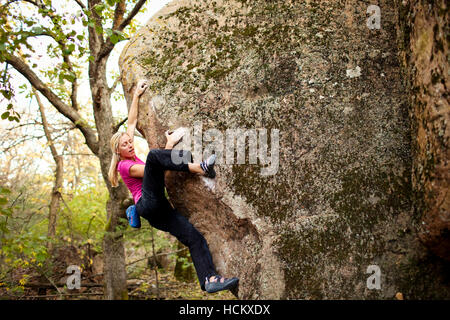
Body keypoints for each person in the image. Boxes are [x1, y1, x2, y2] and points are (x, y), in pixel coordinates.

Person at [107, 79, 238, 294]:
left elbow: (131, 123)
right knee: (155, 156)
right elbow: (158, 168)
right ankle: (201, 168)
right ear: (118, 151)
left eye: (129, 142)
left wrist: (136, 96)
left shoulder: (129, 148)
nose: (130, 144)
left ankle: (209, 279)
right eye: (125, 145)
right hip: (148, 203)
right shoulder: (125, 166)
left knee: (193, 237)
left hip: (160, 212)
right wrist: (170, 143)